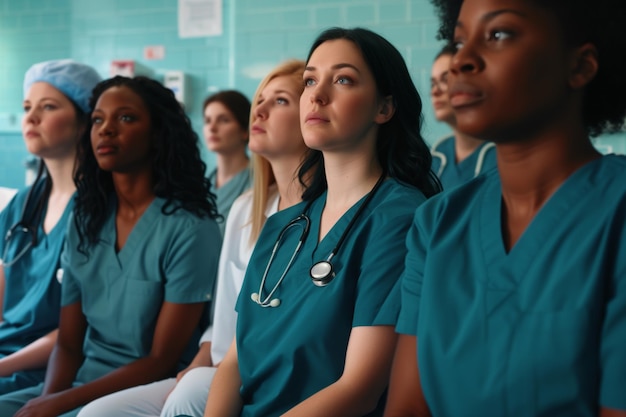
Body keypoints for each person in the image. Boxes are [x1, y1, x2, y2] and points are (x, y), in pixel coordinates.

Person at [386, 0, 626, 416]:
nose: (461, 60)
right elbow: (407, 406)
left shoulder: (615, 211)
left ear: (580, 66)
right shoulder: (437, 224)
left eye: (499, 34)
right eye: (459, 40)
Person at [204, 27, 440, 417]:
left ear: (384, 108)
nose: (316, 94)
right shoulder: (283, 226)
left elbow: (359, 388)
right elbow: (234, 363)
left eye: (343, 79)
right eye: (311, 79)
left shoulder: (399, 218)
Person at [76, 59, 310, 417]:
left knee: (189, 395)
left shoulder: (189, 223)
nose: (258, 109)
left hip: (263, 372)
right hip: (219, 363)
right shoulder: (247, 208)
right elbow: (226, 315)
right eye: (259, 99)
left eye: (279, 100)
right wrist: (200, 362)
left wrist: (204, 375)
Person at [0, 75, 222, 417]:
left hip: (141, 391)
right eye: (98, 120)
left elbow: (159, 360)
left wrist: (61, 403)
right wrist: (45, 400)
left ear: (158, 132)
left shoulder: (190, 229)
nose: (106, 129)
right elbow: (69, 343)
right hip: (79, 383)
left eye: (126, 118)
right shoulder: (86, 220)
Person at [0, 60, 101, 395]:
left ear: (83, 120)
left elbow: (81, 328)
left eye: (48, 107)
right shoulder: (23, 204)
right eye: (28, 107)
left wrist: (3, 366)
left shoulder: (98, 209)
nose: (30, 118)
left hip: (50, 366)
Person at [429, 43, 496, 189]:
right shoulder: (438, 154)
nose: (435, 92)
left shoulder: (500, 154)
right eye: (433, 83)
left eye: (445, 80)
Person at [203, 90, 252, 235]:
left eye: (223, 120)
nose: (212, 128)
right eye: (207, 121)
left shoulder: (259, 183)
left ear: (245, 130)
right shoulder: (201, 185)